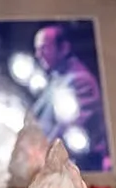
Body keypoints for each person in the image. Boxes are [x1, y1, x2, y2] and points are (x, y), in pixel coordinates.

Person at [29, 24, 110, 171]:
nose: (38, 54)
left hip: (77, 171)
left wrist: (36, 155)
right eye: (37, 49)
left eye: (44, 48)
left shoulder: (80, 81)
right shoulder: (55, 78)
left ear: (64, 48)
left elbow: (68, 130)